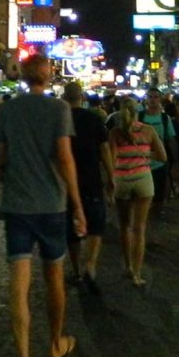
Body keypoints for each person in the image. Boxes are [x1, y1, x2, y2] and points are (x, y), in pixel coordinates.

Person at [0, 54, 85, 357]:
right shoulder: (58, 108)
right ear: (47, 76)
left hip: (17, 204)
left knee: (19, 284)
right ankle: (56, 342)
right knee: (54, 276)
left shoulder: (7, 109)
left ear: (23, 76)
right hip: (51, 204)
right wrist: (77, 206)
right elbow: (65, 157)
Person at [62, 81, 114, 295]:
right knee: (96, 226)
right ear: (81, 97)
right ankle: (90, 264)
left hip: (66, 183)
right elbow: (104, 150)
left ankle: (75, 270)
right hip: (91, 179)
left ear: (64, 98)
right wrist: (111, 176)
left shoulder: (59, 121)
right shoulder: (94, 119)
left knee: (71, 230)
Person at [109, 96, 165, 286]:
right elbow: (163, 156)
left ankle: (127, 266)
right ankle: (137, 274)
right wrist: (146, 154)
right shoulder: (148, 130)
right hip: (143, 180)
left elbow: (111, 160)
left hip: (122, 180)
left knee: (124, 226)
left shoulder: (115, 133)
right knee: (140, 228)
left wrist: (109, 182)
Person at [140, 88, 176, 216]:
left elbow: (171, 139)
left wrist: (174, 160)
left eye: (156, 97)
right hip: (141, 163)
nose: (153, 100)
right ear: (146, 99)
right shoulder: (139, 116)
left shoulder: (165, 118)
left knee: (159, 193)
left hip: (159, 161)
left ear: (160, 99)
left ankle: (155, 213)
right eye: (150, 97)